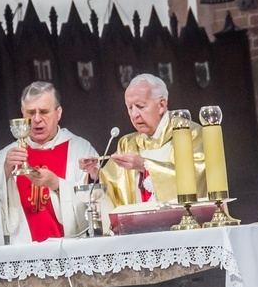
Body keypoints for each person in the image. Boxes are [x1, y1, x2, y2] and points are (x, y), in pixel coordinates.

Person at [0, 82, 96, 245]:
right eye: (31, 112)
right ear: (22, 113)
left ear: (58, 113)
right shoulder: (8, 155)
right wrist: (4, 172)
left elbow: (94, 199)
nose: (37, 119)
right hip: (23, 251)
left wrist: (56, 184)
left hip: (69, 250)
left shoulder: (80, 149)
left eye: (44, 112)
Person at [80, 74, 206, 207]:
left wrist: (145, 166)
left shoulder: (190, 133)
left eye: (140, 106)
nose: (134, 114)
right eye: (130, 108)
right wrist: (95, 174)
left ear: (161, 105)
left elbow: (196, 177)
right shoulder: (127, 143)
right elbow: (115, 192)